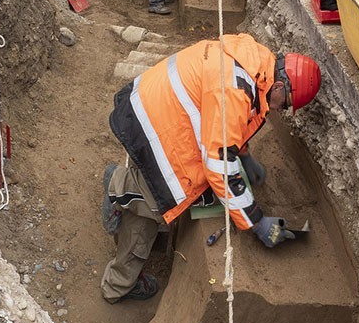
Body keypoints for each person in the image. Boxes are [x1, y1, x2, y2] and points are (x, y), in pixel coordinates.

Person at [100, 35, 322, 303]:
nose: (281, 110)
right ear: (278, 86)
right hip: (157, 128)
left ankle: (129, 190)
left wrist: (244, 154)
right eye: (285, 104)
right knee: (158, 203)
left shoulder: (256, 59)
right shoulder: (235, 89)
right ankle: (120, 191)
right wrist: (256, 221)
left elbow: (228, 119)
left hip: (154, 106)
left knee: (185, 192)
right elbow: (218, 162)